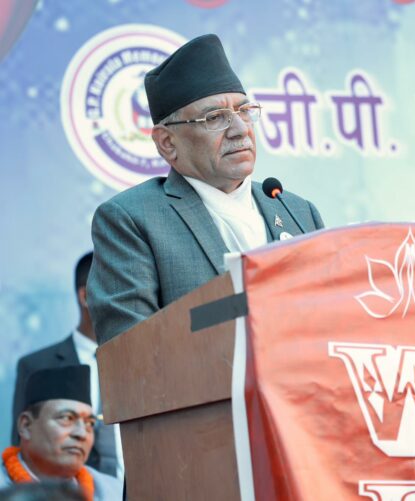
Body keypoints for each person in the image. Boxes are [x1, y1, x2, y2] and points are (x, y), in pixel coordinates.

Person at [87, 34, 324, 345]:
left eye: (244, 111)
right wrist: (248, 304)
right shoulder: (133, 219)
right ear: (167, 143)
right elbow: (132, 348)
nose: (240, 129)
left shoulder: (297, 212)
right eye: (215, 118)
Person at [10, 253, 122, 481]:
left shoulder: (140, 362)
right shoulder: (37, 365)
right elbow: (22, 448)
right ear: (86, 296)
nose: (125, 301)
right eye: (116, 291)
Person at [1, 366, 122, 501]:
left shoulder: (115, 492)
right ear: (26, 425)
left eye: (89, 423)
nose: (82, 434)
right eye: (67, 418)